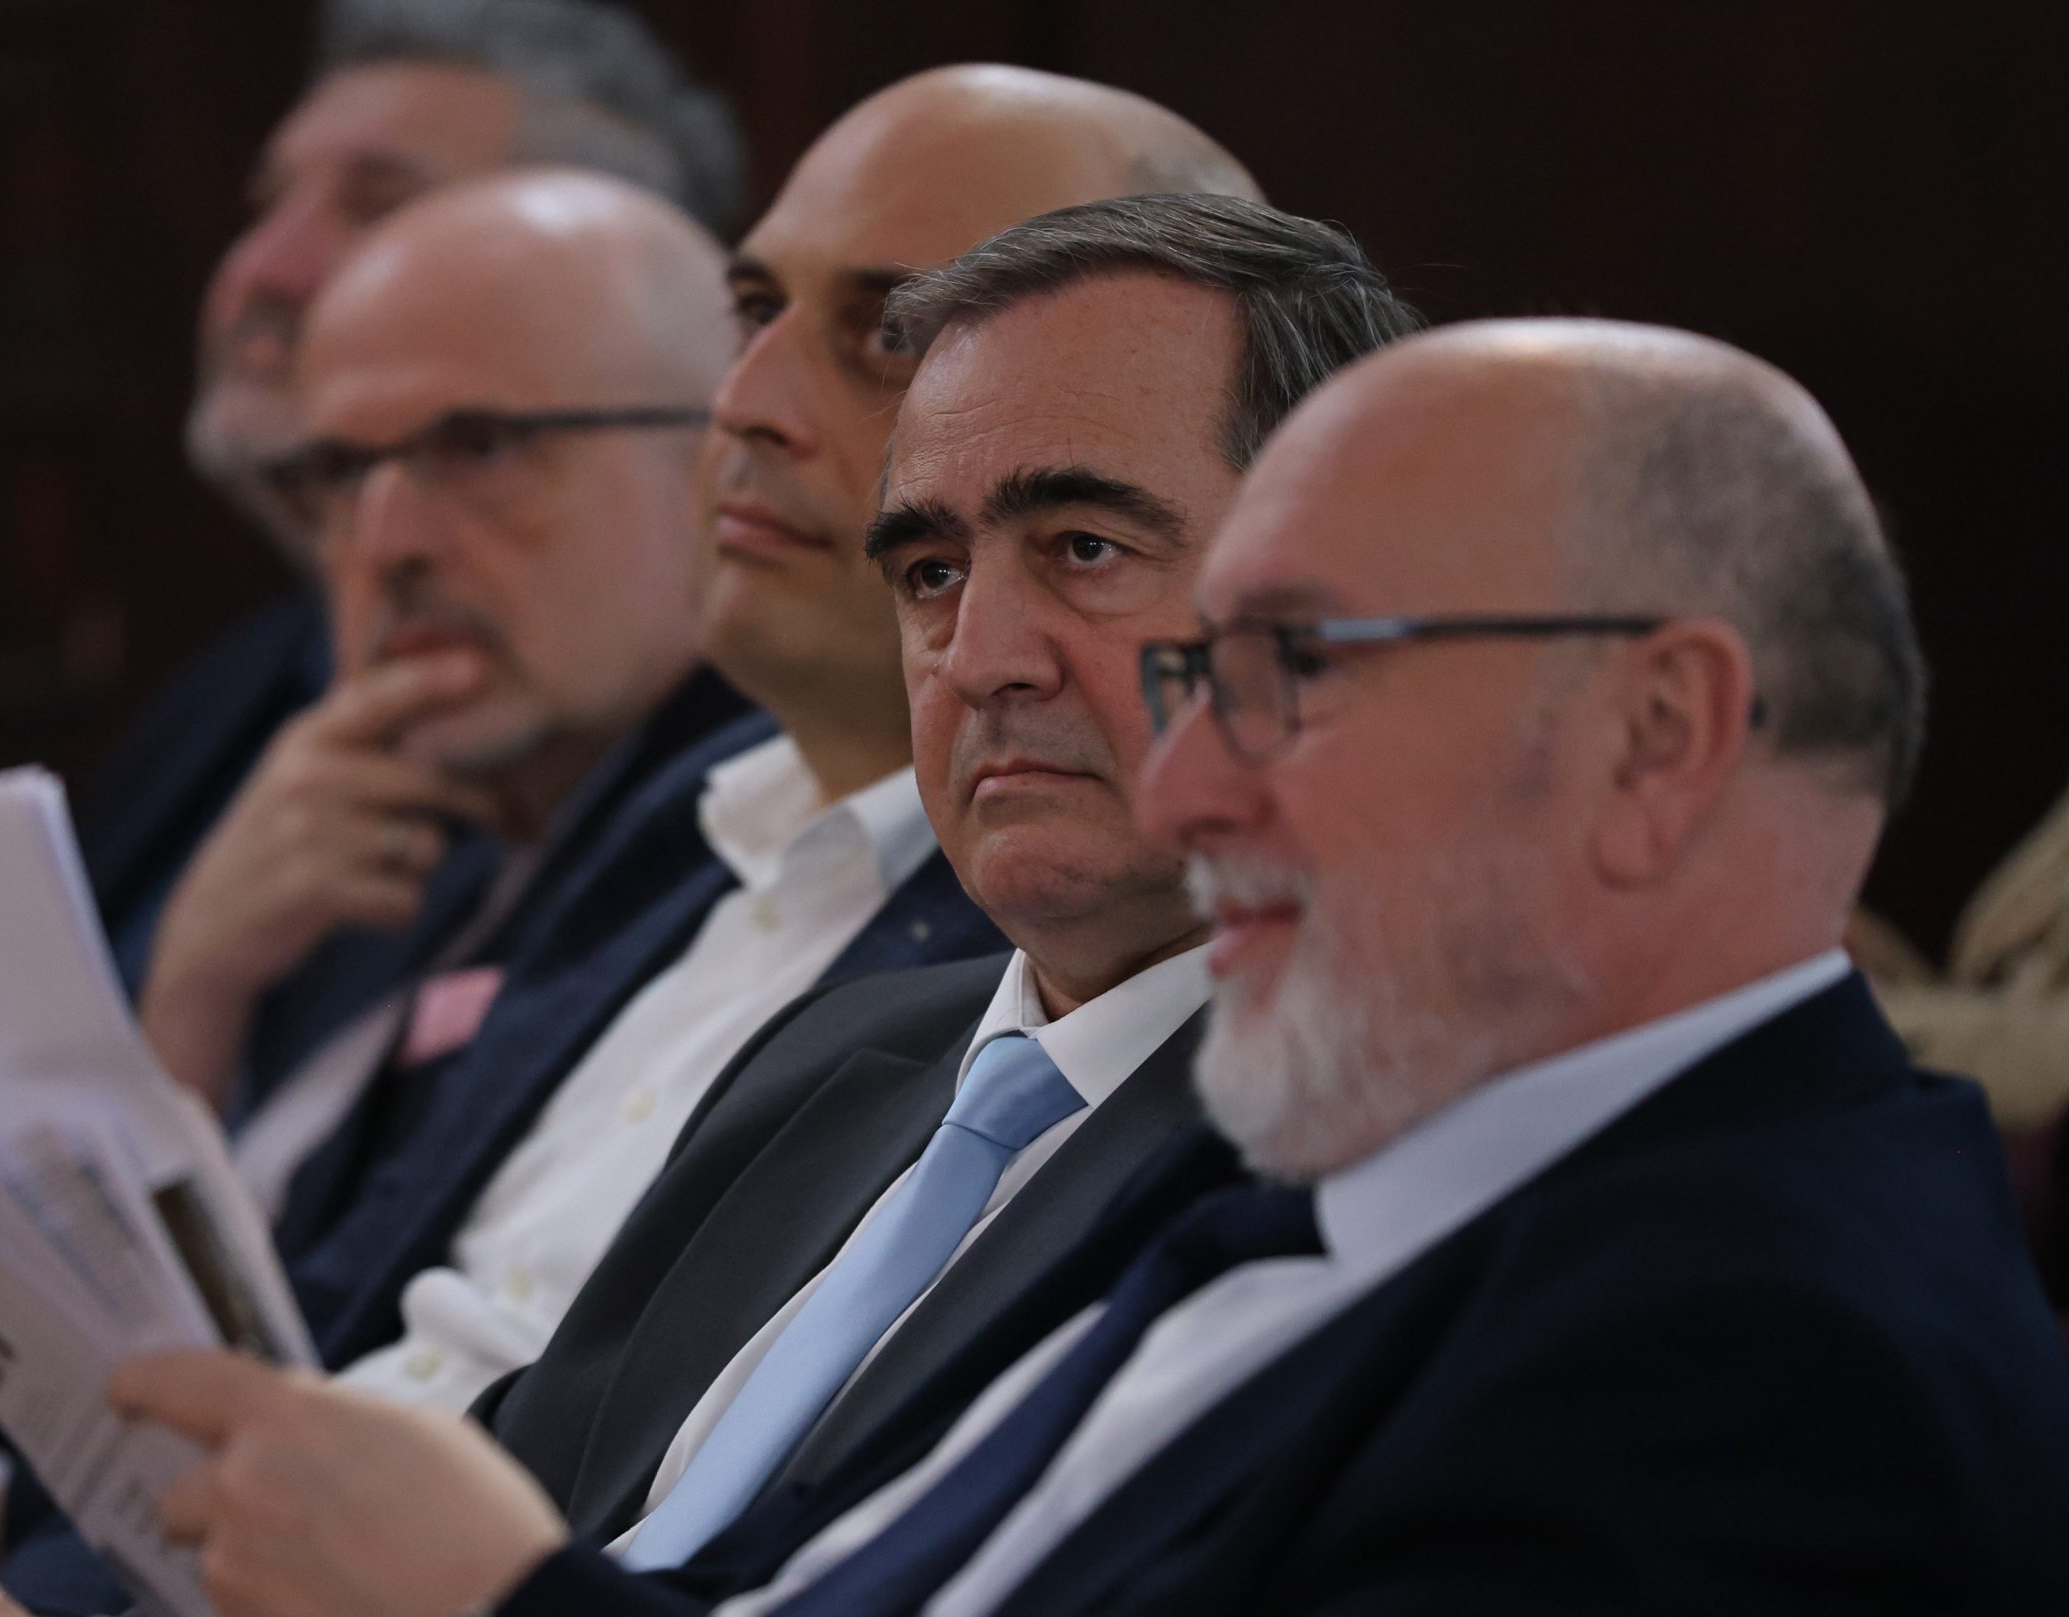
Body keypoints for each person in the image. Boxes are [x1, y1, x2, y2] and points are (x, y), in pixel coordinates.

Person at [444, 315, 2069, 1616]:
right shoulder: (1409, 1184)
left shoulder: (1767, 1380)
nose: (1189, 784)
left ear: (1655, 739)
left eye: (1294, 669)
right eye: (1204, 676)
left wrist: (477, 1588)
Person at [0, 189, 1420, 1617]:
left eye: (1085, 548)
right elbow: (498, 1490)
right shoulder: (832, 1058)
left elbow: (488, 1574)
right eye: (929, 572)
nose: (980, 657)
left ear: (1333, 612)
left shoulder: (1358, 1161)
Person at [0, 167, 745, 1617]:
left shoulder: (754, 858)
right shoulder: (370, 787)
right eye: (334, 476)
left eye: (478, 447)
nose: (386, 541)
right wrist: (201, 981)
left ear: (724, 460)